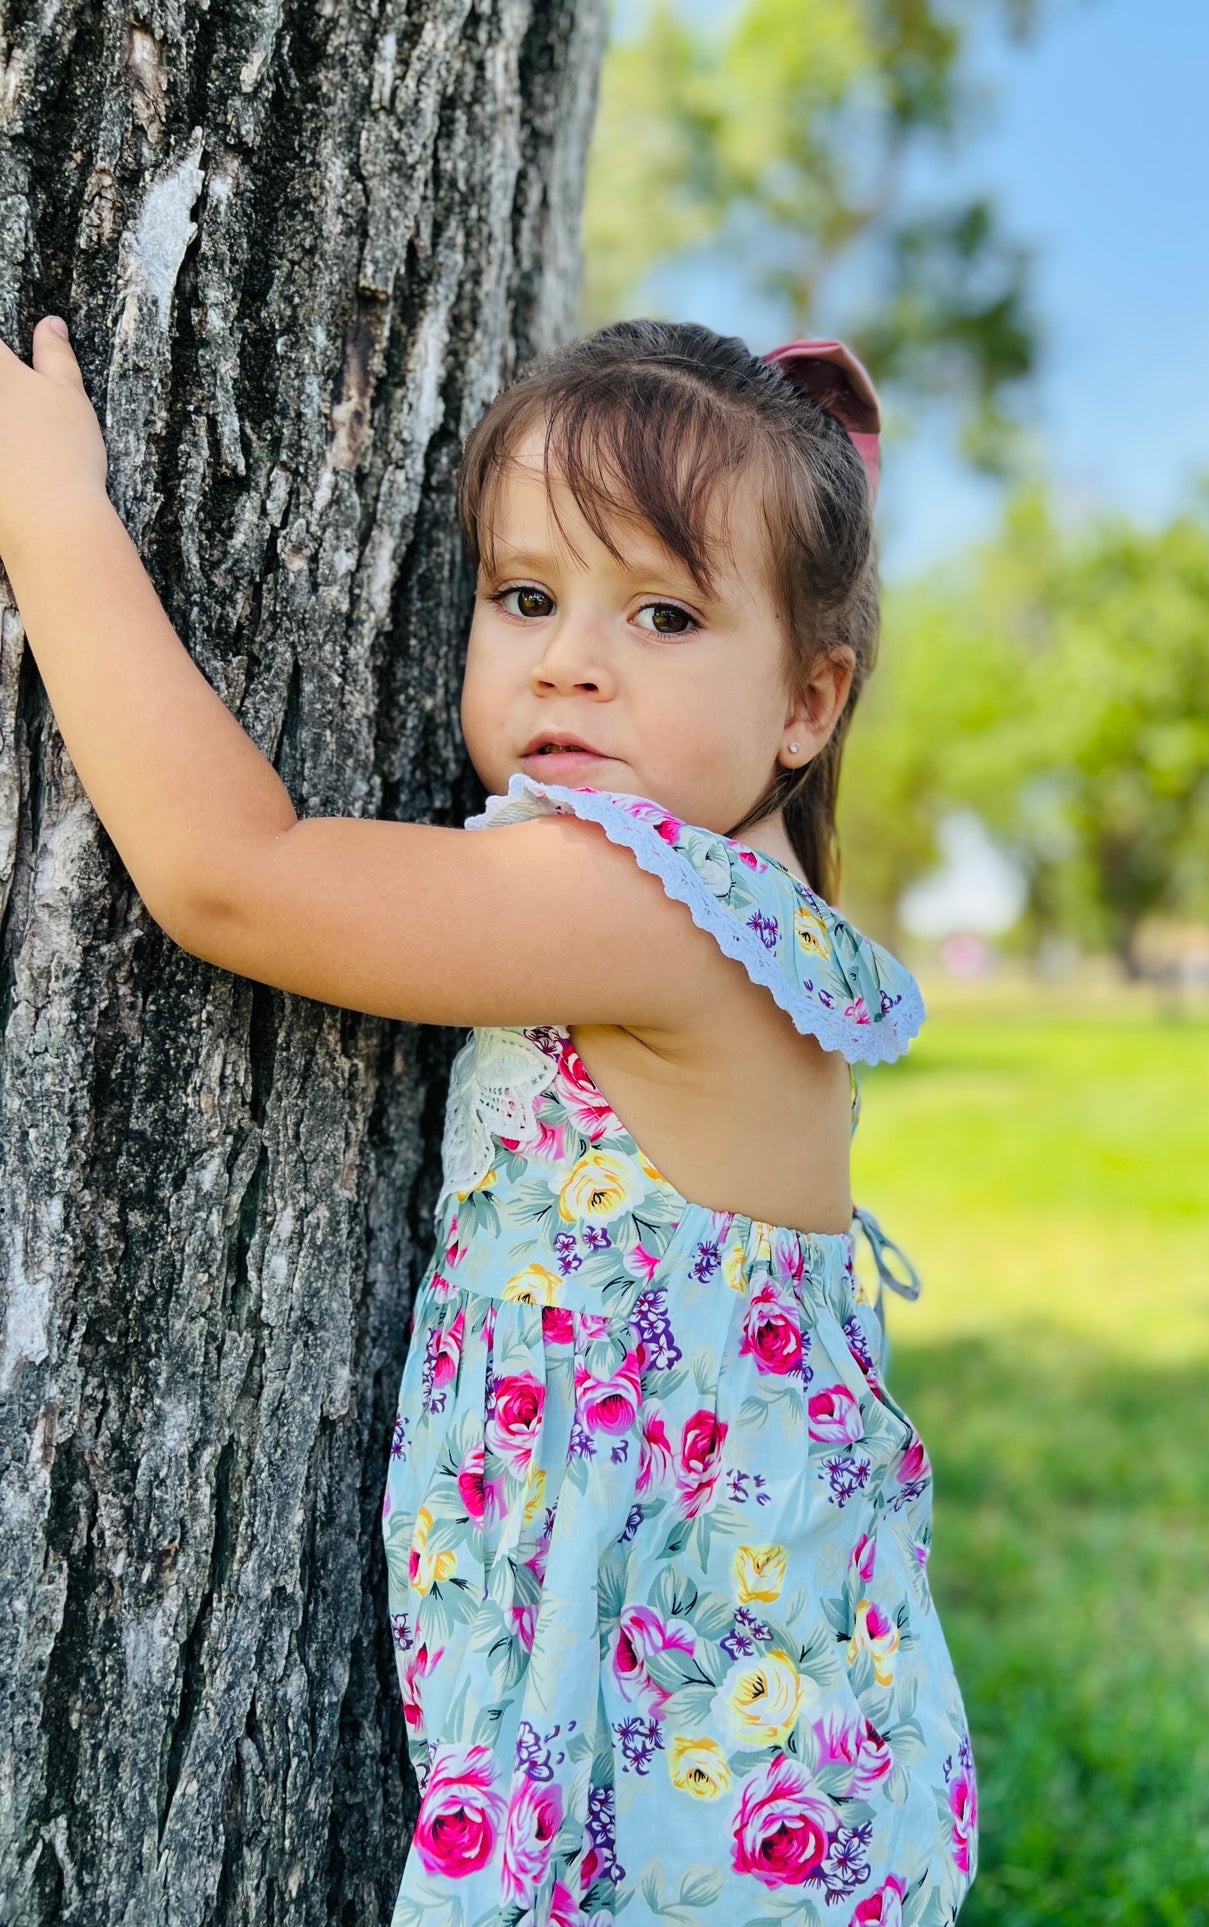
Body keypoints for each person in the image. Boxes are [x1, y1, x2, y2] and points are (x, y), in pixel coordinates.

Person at [0, 313, 978, 1923]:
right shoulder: (750, 893)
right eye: (526, 596)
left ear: (807, 704)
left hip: (686, 1760)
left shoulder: (633, 901)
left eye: (662, 614)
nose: (568, 660)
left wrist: (55, 522)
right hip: (761, 1714)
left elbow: (233, 876)